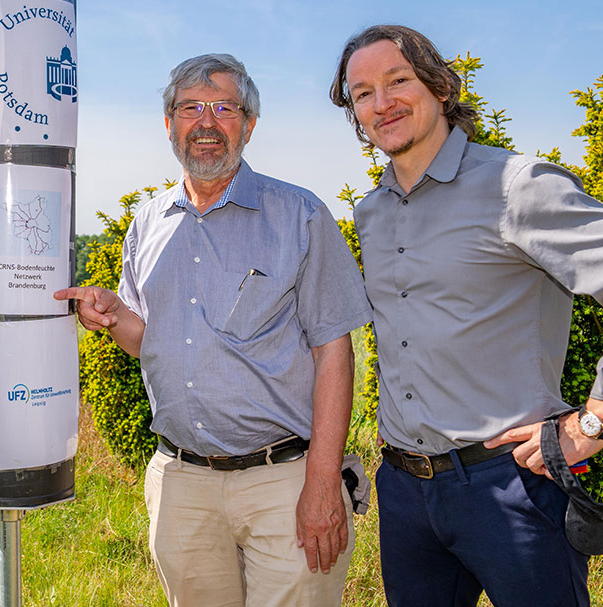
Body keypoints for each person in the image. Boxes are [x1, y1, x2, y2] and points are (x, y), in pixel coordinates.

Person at [329, 24, 603, 606]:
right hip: (404, 489)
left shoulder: (516, 187)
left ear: (441, 87)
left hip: (512, 485)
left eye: (398, 81)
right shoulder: (371, 212)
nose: (382, 103)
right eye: (363, 93)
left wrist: (594, 423)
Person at [55, 53, 370, 606]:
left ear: (249, 124)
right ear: (169, 124)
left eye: (224, 108)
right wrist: (114, 315)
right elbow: (150, 342)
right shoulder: (146, 224)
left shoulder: (300, 216)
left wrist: (323, 482)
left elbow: (334, 353)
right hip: (181, 483)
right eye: (189, 108)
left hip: (286, 479)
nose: (206, 122)